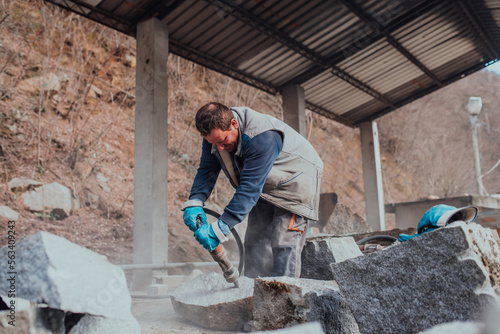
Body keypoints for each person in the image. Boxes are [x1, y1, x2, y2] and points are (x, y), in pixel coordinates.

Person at [181, 102, 323, 278]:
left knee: (283, 242)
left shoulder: (262, 138)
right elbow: (207, 169)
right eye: (213, 143)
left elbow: (249, 187)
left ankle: (285, 298)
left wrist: (221, 227)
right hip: (266, 184)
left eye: (223, 141)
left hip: (295, 184)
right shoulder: (215, 136)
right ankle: (254, 296)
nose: (219, 148)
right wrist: (195, 201)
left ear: (234, 124)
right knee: (256, 242)